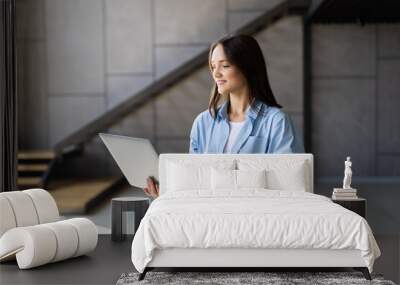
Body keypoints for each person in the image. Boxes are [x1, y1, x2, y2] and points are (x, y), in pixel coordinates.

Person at [143, 34, 304, 198]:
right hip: (210, 215)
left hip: (255, 214)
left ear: (247, 67)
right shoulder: (203, 123)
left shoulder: (276, 122)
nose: (216, 73)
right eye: (213, 67)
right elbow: (194, 181)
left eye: (225, 65)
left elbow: (289, 186)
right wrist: (167, 193)